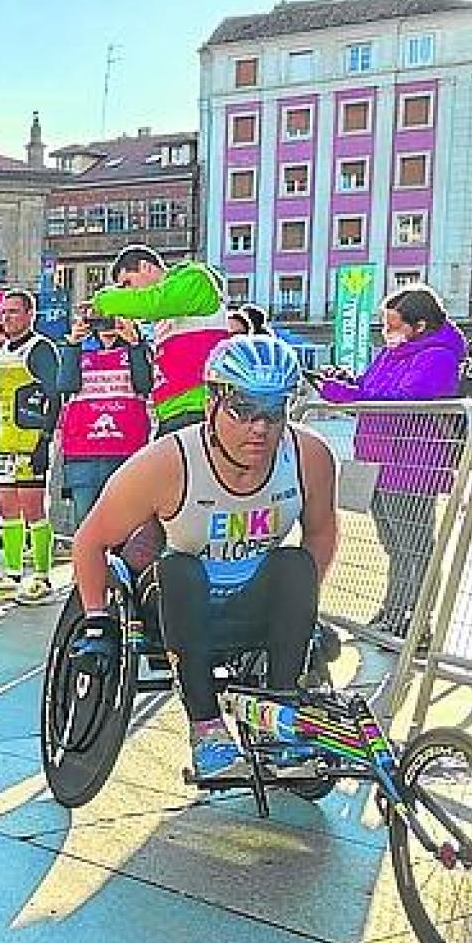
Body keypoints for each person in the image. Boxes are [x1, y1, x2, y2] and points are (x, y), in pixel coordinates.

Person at [68, 334, 337, 781]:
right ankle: (207, 727)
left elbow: (322, 532)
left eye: (273, 413)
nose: (260, 429)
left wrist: (303, 615)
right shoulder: (165, 463)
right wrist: (97, 622)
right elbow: (90, 542)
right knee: (180, 570)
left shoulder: (308, 455)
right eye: (244, 410)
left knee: (294, 565)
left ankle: (278, 712)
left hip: (251, 596)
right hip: (176, 601)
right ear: (213, 402)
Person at [314, 284, 465, 637]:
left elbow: (402, 399)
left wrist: (349, 395)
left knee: (416, 548)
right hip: (377, 460)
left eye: (393, 325)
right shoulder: (391, 354)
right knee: (393, 546)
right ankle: (394, 613)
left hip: (411, 466)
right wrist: (347, 383)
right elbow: (371, 387)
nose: (386, 332)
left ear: (420, 325)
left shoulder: (438, 356)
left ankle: (417, 621)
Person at [91, 244, 231, 435]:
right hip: (171, 412)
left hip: (198, 407)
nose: (128, 292)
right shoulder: (164, 316)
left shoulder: (195, 278)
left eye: (127, 283)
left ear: (146, 267)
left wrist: (102, 300)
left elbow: (150, 303)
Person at [0, 289, 63, 604]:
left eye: (13, 312)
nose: (6, 318)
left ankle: (42, 576)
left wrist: (44, 440)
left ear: (30, 314)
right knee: (6, 509)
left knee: (33, 509)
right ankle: (12, 574)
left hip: (29, 441)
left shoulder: (41, 349)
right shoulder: (2, 350)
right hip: (3, 440)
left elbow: (54, 397)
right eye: (3, 312)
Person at [54, 314, 153, 528]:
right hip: (84, 453)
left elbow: (145, 383)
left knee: (127, 527)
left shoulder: (137, 348)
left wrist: (135, 344)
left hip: (127, 452)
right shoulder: (79, 348)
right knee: (87, 526)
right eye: (102, 318)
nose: (108, 324)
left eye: (114, 318)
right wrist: (73, 343)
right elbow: (64, 385)